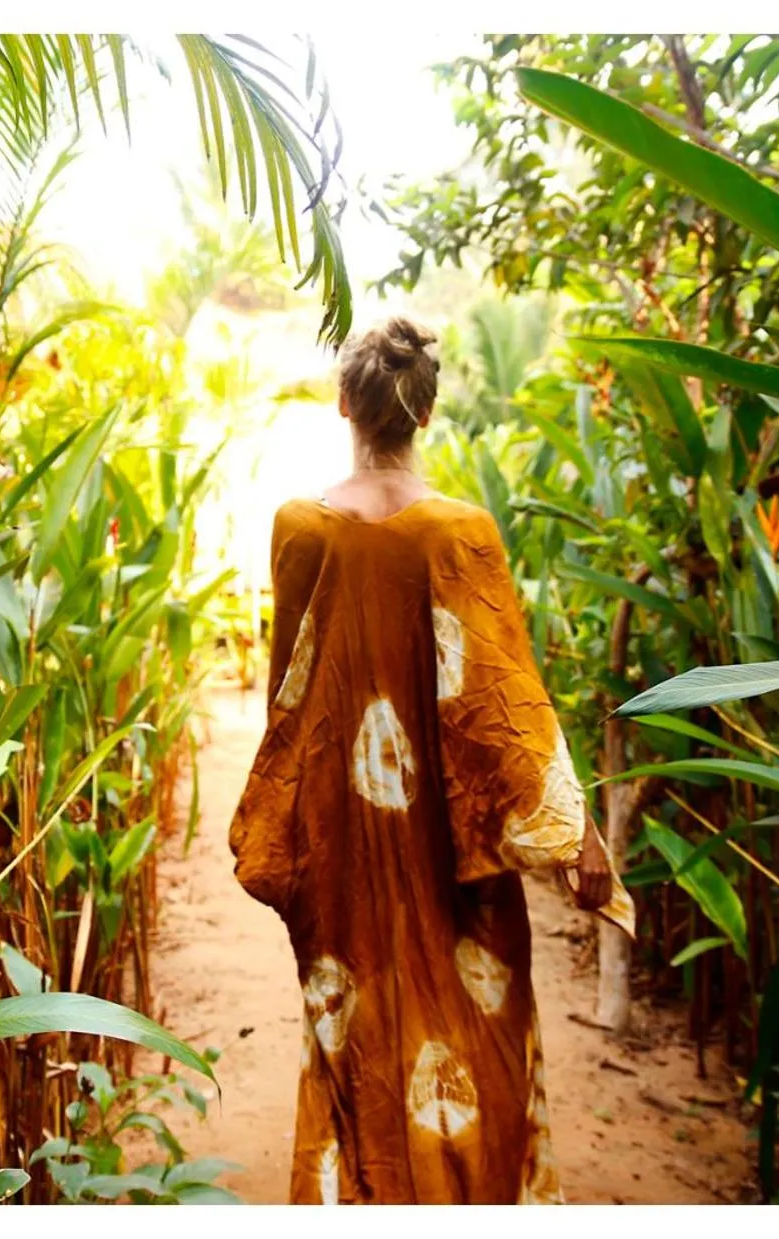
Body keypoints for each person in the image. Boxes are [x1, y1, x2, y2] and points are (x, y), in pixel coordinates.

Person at [229, 316, 635, 1205]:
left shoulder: (299, 529)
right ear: (427, 411)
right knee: (474, 1041)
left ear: (344, 404)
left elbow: (289, 700)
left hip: (345, 847)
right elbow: (507, 706)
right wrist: (576, 838)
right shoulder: (464, 533)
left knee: (356, 1041)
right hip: (453, 847)